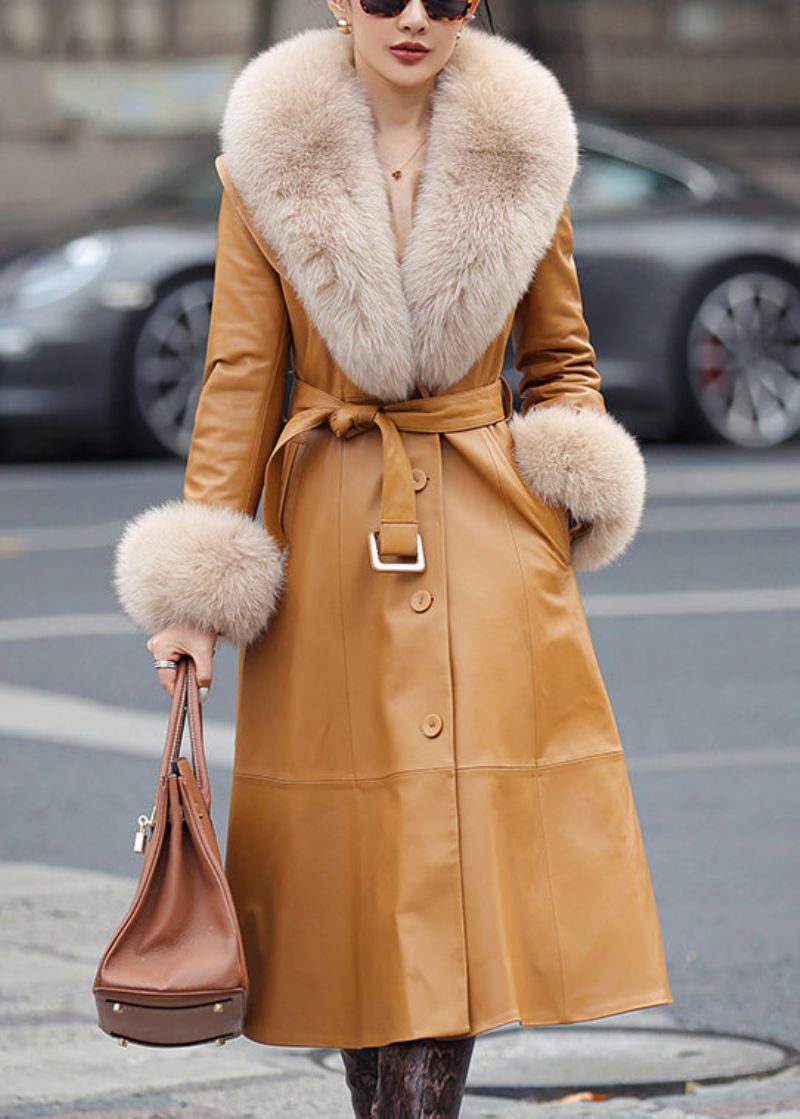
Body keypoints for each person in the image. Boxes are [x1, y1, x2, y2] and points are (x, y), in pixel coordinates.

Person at [113, 1, 673, 1115]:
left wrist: (557, 507)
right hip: (328, 543)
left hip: (487, 541)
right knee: (357, 887)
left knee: (451, 876)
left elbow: (561, 360)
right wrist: (194, 596)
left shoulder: (525, 148)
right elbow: (235, 379)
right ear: (337, 2)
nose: (413, 17)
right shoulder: (266, 161)